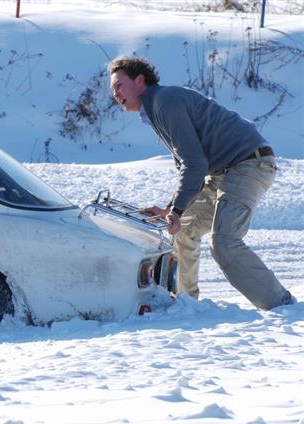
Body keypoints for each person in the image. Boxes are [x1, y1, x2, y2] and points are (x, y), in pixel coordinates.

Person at [108, 56, 294, 310]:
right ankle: (186, 303)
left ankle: (282, 306)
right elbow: (190, 165)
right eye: (112, 89)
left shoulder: (165, 102)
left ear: (140, 81)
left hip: (248, 163)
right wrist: (171, 209)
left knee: (224, 242)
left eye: (119, 85)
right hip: (225, 170)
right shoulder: (155, 107)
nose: (115, 94)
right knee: (183, 228)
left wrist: (176, 209)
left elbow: (195, 163)